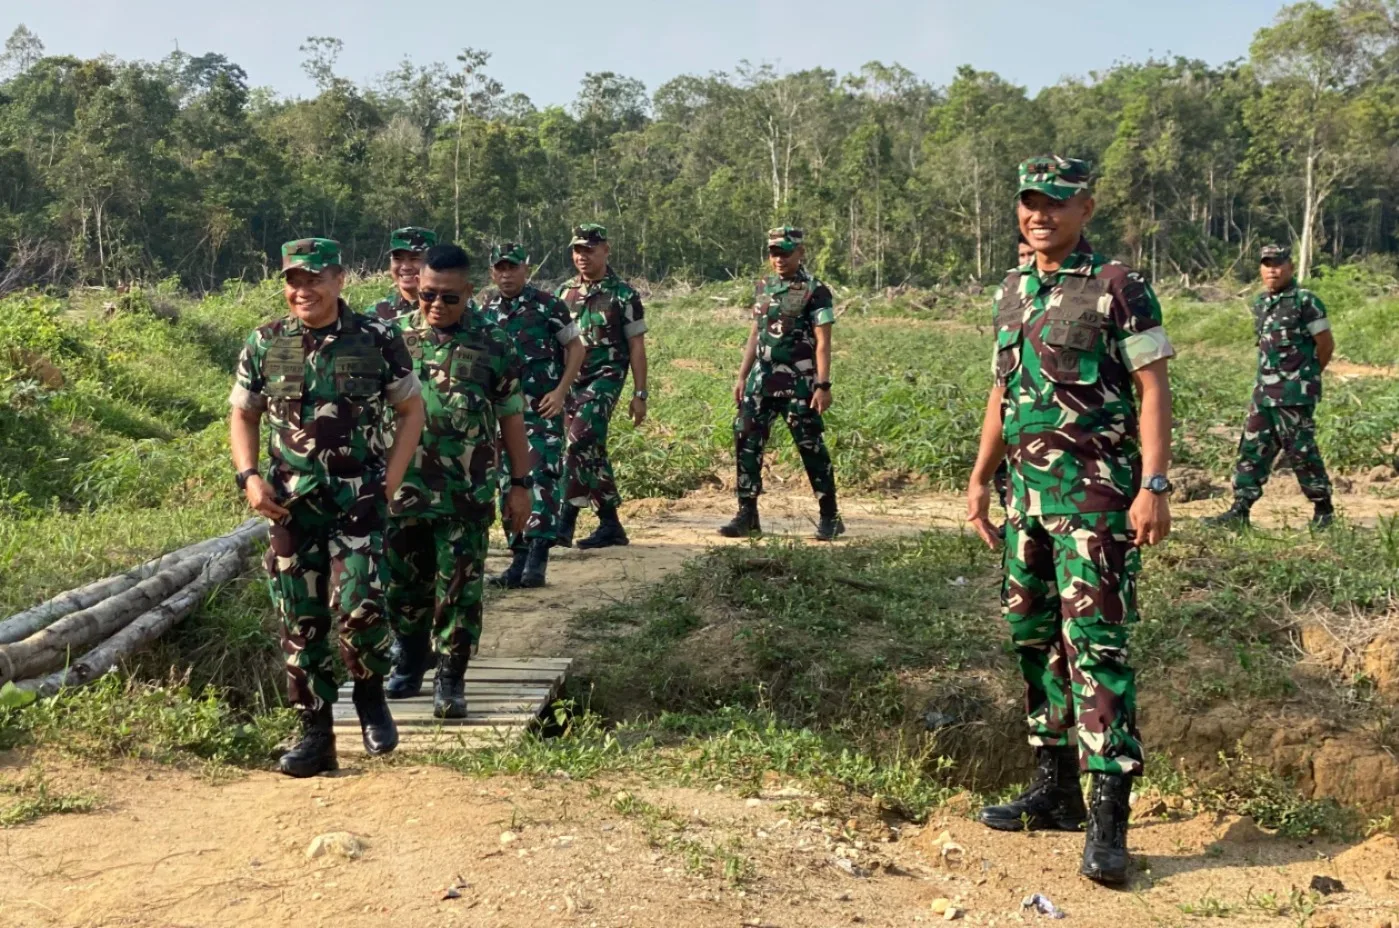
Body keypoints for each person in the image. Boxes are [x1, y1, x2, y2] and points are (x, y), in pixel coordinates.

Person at [965, 156, 1176, 886]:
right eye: (1028, 203)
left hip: (1092, 502)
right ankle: (1052, 786)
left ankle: (1108, 814)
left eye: (1055, 203)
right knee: (1031, 637)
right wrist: (980, 476)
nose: (1039, 215)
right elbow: (1002, 391)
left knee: (1094, 646)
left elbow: (1152, 388)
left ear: (1084, 207)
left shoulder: (1117, 287)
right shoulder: (1012, 290)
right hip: (1024, 502)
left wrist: (1153, 484)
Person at [229, 237, 425, 777]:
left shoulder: (377, 338)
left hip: (357, 497)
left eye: (314, 279)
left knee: (360, 603)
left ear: (339, 279)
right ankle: (315, 733)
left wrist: (389, 481)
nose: (303, 290)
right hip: (290, 504)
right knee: (301, 617)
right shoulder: (267, 341)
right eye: (294, 280)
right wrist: (249, 477)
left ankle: (368, 692)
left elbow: (411, 409)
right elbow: (243, 413)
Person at [380, 244, 533, 717]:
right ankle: (408, 659)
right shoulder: (390, 339)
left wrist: (521, 484)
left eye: (450, 298)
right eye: (428, 295)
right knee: (402, 584)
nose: (437, 307)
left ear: (470, 292)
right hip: (400, 492)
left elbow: (511, 419)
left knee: (459, 589)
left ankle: (451, 676)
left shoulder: (494, 344)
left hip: (465, 492)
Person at [719, 226, 843, 541]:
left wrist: (823, 385)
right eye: (774, 252)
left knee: (810, 445)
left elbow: (823, 342)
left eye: (785, 252)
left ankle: (830, 515)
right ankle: (747, 513)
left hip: (800, 381)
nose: (779, 259)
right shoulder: (764, 287)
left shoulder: (816, 290)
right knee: (746, 438)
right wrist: (742, 375)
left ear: (800, 252)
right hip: (761, 379)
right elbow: (755, 333)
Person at [1204, 244, 1335, 529]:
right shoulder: (1261, 303)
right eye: (1266, 264)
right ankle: (1240, 510)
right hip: (1263, 394)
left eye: (1278, 263)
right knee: (1252, 449)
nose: (1272, 269)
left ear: (1289, 266)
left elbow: (1325, 345)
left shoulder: (1306, 301)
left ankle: (1323, 510)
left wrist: (1304, 379)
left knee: (1301, 452)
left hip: (1293, 395)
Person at [478, 242, 585, 588]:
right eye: (500, 268)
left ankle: (538, 558)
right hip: (502, 415)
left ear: (527, 268)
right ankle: (517, 559)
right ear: (493, 272)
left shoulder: (548, 306)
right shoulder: (485, 310)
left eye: (513, 267)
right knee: (507, 484)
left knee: (541, 478)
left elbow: (576, 348)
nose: (506, 275)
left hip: (540, 412)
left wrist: (560, 391)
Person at [554, 223, 649, 549]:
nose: (582, 256)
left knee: (578, 442)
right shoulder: (564, 292)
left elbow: (636, 346)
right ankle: (611, 524)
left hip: (605, 378)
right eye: (577, 250)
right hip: (570, 382)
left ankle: (565, 520)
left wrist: (640, 394)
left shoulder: (623, 295)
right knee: (589, 448)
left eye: (589, 250)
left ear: (605, 250)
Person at [371, 227, 437, 322]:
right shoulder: (378, 313)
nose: (405, 267)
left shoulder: (449, 309)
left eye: (414, 258)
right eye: (397, 259)